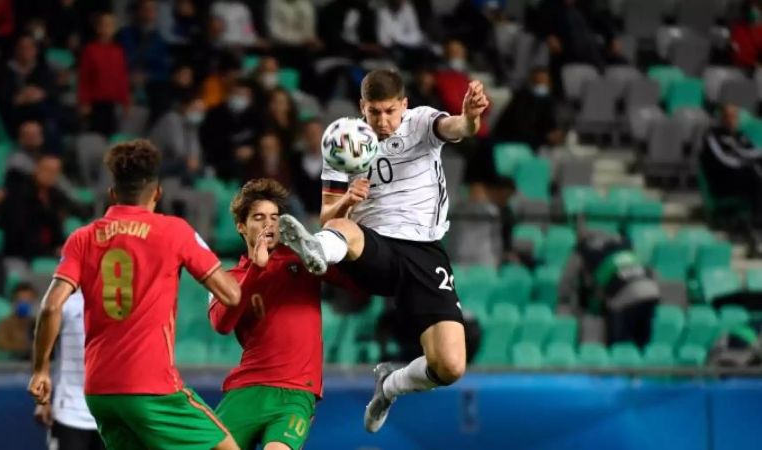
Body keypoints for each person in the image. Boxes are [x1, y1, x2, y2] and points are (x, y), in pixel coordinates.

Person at [275, 69, 489, 433]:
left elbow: (458, 129)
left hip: (424, 251)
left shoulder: (421, 122)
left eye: (390, 111)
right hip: (374, 248)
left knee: (450, 366)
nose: (383, 121)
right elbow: (328, 213)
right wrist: (347, 199)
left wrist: (470, 117)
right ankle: (315, 252)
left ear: (404, 105)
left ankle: (390, 384)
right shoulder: (344, 140)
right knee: (339, 228)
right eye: (374, 112)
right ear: (363, 108)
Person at [27, 139, 242, 450]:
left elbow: (50, 306)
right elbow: (231, 295)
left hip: (99, 393)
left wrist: (41, 369)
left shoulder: (82, 238)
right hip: (151, 387)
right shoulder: (175, 231)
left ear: (113, 194)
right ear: (157, 193)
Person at [209, 178, 359, 450]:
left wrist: (346, 210)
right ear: (241, 226)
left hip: (296, 391)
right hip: (246, 389)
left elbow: (356, 284)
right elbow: (221, 323)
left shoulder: (302, 259)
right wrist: (256, 270)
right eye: (259, 217)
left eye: (275, 217)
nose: (269, 224)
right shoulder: (228, 277)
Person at [558, 228, 660, 347]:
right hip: (651, 290)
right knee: (641, 345)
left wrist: (564, 301)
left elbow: (567, 279)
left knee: (619, 347)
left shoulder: (582, 249)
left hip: (622, 295)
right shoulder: (624, 241)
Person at [33, 290, 106, 450]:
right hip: (68, 411)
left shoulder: (119, 305)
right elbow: (42, 348)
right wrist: (42, 401)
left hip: (108, 414)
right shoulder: (64, 303)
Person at [1, 155, 75, 259]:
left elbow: (56, 229)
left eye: (55, 171)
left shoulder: (56, 196)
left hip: (49, 251)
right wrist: (51, 251)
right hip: (21, 253)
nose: (50, 175)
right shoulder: (19, 194)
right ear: (36, 169)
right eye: (47, 170)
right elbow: (19, 232)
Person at [699, 103, 762, 222]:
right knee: (755, 176)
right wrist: (747, 163)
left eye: (735, 116)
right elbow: (725, 160)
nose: (733, 120)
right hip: (721, 180)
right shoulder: (713, 136)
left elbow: (752, 151)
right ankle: (757, 222)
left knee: (756, 173)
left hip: (741, 177)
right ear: (722, 118)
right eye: (730, 116)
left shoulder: (740, 136)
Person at [78, 12, 130, 136]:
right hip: (97, 102)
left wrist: (125, 101)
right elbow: (84, 78)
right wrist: (84, 102)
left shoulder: (119, 51)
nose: (107, 28)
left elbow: (122, 78)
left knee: (114, 135)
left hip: (114, 103)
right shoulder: (90, 50)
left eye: (110, 25)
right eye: (104, 25)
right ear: (98, 27)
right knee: (97, 135)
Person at [0, 282, 39, 360]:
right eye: (21, 301)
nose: (24, 304)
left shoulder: (40, 324)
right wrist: (27, 347)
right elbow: (1, 346)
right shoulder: (5, 324)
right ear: (13, 302)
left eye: (28, 301)